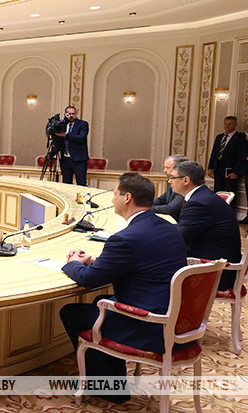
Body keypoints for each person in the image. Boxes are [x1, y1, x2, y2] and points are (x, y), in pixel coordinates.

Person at [59, 172, 186, 403]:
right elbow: (142, 261)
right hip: (177, 319)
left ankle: (107, 388)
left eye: (115, 194)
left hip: (149, 325)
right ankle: (115, 380)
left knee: (71, 312)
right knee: (99, 302)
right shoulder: (169, 228)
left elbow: (88, 279)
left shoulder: (125, 238)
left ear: (127, 198)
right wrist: (94, 260)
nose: (112, 199)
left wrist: (73, 263)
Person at [170, 160, 242, 290]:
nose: (170, 181)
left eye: (172, 177)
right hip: (213, 259)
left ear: (186, 180)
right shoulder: (202, 196)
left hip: (217, 272)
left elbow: (179, 238)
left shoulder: (199, 203)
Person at [206, 116, 245, 208]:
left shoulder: (239, 138)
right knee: (218, 192)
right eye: (226, 124)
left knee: (230, 193)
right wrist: (210, 167)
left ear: (235, 125)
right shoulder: (219, 137)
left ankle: (230, 212)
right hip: (218, 170)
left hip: (230, 171)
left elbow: (240, 157)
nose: (227, 126)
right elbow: (214, 153)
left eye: (230, 124)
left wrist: (236, 172)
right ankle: (218, 211)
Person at [54, 105, 89, 186]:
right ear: (65, 114)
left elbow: (81, 138)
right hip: (65, 160)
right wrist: (51, 153)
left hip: (79, 160)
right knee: (66, 184)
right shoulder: (62, 125)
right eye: (69, 114)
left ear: (76, 114)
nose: (71, 116)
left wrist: (66, 135)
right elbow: (59, 143)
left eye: (73, 114)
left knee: (81, 184)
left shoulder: (83, 124)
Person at [151, 154, 188, 221]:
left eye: (168, 167)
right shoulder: (172, 181)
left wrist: (147, 208)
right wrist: (142, 204)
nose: (164, 171)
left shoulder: (183, 185)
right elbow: (161, 200)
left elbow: (171, 208)